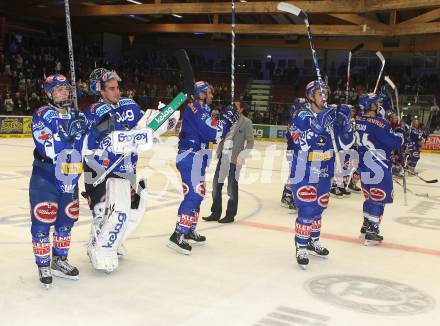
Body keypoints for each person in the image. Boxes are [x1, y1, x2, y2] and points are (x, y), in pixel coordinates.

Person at [82, 68, 178, 273]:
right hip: (100, 169)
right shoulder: (94, 111)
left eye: (118, 88)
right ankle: (99, 246)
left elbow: (146, 126)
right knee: (103, 210)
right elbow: (98, 140)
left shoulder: (128, 105)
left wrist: (164, 119)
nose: (117, 92)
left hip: (126, 167)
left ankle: (113, 241)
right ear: (100, 90)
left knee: (132, 208)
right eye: (111, 89)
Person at [29, 74, 88, 287]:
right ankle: (43, 263)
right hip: (46, 175)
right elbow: (47, 147)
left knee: (66, 221)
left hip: (70, 175)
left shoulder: (77, 115)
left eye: (65, 88)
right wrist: (67, 136)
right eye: (58, 89)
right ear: (48, 94)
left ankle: (59, 259)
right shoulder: (42, 114)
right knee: (42, 222)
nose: (63, 92)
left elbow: (89, 145)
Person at [288, 80, 354, 269]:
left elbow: (344, 144)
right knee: (307, 209)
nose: (324, 97)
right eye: (320, 93)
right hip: (305, 170)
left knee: (319, 208)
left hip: (325, 170)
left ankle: (312, 240)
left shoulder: (330, 116)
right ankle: (301, 245)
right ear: (310, 96)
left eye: (326, 93)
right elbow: (298, 143)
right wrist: (317, 126)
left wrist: (346, 125)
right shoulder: (301, 115)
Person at [168, 81, 239, 255]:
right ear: (200, 94)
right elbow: (212, 132)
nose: (212, 96)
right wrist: (226, 119)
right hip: (190, 156)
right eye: (209, 92)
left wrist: (225, 120)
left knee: (198, 195)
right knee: (194, 195)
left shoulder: (203, 110)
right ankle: (178, 235)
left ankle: (189, 229)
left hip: (198, 157)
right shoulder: (195, 108)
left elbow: (215, 135)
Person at [355, 93, 404, 245]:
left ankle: (366, 225)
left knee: (370, 197)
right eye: (376, 103)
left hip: (364, 165)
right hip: (378, 166)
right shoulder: (380, 123)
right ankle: (372, 230)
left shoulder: (358, 121)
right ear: (372, 106)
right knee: (378, 198)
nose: (378, 104)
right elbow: (394, 142)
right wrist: (400, 134)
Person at [202, 100, 254, 223]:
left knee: (231, 188)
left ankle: (230, 215)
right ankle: (215, 212)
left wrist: (241, 156)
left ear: (241, 109)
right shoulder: (225, 120)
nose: (232, 107)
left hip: (235, 160)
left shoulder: (246, 122)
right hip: (223, 157)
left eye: (235, 106)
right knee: (216, 186)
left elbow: (251, 142)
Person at [280, 98, 308, 212]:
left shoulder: (297, 118)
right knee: (294, 175)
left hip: (297, 151)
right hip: (294, 151)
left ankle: (294, 195)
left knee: (298, 174)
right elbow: (294, 138)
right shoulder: (295, 120)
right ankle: (287, 197)